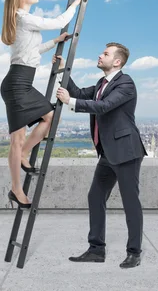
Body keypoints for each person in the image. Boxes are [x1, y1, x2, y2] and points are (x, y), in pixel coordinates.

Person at [55, 43, 147, 269]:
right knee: (95, 197)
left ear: (117, 61)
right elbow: (77, 93)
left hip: (126, 152)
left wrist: (70, 102)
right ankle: (96, 249)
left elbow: (104, 106)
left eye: (105, 53)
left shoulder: (126, 83)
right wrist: (63, 70)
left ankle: (134, 252)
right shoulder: (101, 84)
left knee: (130, 203)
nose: (100, 55)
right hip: (107, 153)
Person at [0, 0, 81, 209]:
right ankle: (16, 190)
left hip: (21, 81)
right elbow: (58, 21)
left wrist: (55, 41)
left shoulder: (21, 20)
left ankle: (25, 155)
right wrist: (76, 5)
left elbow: (32, 51)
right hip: (17, 83)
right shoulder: (24, 17)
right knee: (17, 139)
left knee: (50, 117)